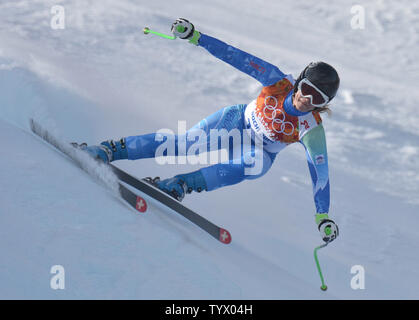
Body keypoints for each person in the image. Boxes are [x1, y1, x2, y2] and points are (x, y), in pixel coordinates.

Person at [83, 18, 339, 243]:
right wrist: (196, 37)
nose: (307, 100)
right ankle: (108, 150)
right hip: (237, 123)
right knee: (186, 145)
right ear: (298, 83)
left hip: (259, 149)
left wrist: (322, 215)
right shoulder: (277, 81)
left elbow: (320, 173)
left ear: (323, 105)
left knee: (257, 166)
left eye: (318, 99)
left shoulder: (312, 129)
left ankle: (179, 185)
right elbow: (235, 56)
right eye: (306, 89)